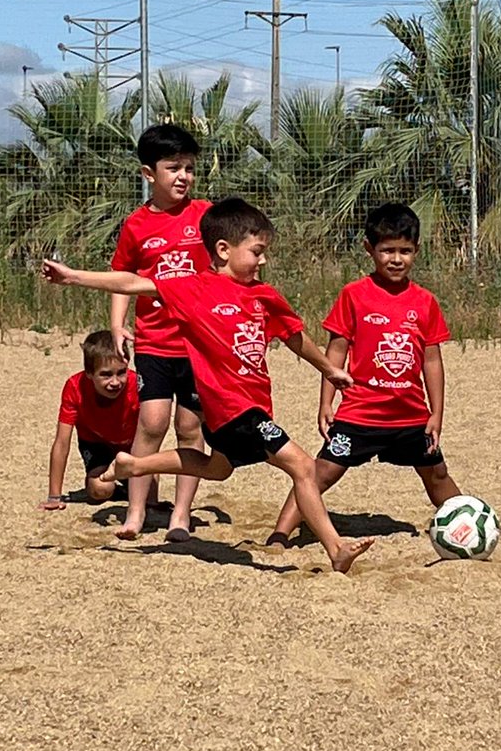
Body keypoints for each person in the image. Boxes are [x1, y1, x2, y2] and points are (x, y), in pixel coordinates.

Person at [42, 198, 374, 574]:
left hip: (249, 408)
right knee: (302, 466)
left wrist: (328, 369)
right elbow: (134, 281)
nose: (263, 261)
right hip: (234, 409)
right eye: (256, 252)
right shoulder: (193, 289)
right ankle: (336, 548)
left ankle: (136, 465)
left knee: (217, 469)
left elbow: (295, 337)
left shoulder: (264, 295)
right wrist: (73, 277)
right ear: (222, 250)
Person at [267, 201, 461, 547]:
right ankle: (281, 533)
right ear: (370, 249)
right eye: (388, 250)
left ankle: (468, 522)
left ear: (417, 251)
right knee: (321, 472)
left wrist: (437, 413)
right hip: (360, 411)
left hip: (410, 415)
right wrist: (326, 402)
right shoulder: (353, 295)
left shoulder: (425, 301)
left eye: (405, 250)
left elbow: (432, 360)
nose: (397, 259)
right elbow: (335, 353)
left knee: (437, 474)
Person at [110, 122, 213, 542]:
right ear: (148, 173)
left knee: (191, 427)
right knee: (152, 422)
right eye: (173, 167)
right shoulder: (136, 224)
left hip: (198, 343)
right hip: (154, 341)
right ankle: (136, 513)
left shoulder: (206, 215)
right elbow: (122, 275)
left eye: (189, 167)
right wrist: (118, 324)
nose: (183, 176)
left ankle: (181, 515)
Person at [39, 330, 140, 511]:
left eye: (121, 372)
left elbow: (152, 430)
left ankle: (128, 484)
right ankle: (114, 485)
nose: (115, 382)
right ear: (89, 373)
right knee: (99, 490)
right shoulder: (75, 387)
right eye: (106, 374)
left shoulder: (136, 384)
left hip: (131, 444)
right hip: (95, 442)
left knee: (146, 491)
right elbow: (62, 442)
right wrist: (54, 496)